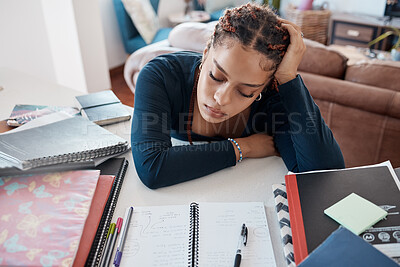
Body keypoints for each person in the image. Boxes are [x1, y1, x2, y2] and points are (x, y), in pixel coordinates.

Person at [131, 3, 345, 189]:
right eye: (216, 76)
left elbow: (324, 176)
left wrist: (289, 79)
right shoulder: (161, 76)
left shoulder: (273, 101)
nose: (221, 99)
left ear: (264, 88)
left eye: (246, 92)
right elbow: (153, 167)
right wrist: (243, 147)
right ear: (206, 53)